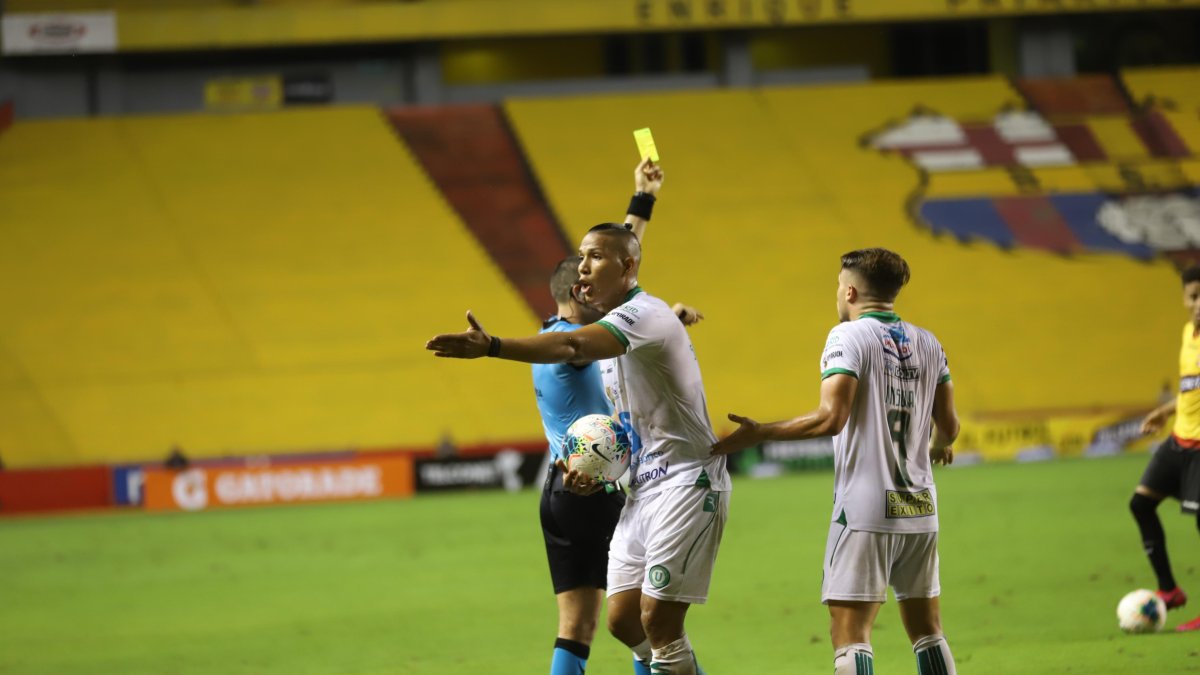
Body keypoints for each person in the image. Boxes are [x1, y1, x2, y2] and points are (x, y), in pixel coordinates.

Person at [428, 219, 729, 675]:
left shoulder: (640, 316)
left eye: (595, 258)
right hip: (641, 486)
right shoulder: (613, 348)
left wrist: (491, 346)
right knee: (623, 620)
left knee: (653, 621)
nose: (583, 268)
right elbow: (625, 429)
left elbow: (570, 344)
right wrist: (599, 471)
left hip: (686, 481)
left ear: (626, 268)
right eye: (581, 259)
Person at [712, 248, 959, 675]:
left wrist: (762, 432)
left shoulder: (847, 337)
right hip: (920, 507)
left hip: (866, 510)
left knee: (850, 634)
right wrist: (936, 446)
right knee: (927, 630)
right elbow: (950, 426)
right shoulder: (929, 342)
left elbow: (831, 418)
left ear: (849, 290)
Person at [1132, 264, 1200, 632]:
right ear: (1185, 300)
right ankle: (1169, 590)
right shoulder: (1189, 335)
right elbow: (1192, 388)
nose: (1199, 304)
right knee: (1141, 504)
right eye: (1194, 296)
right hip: (1179, 440)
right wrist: (1165, 410)